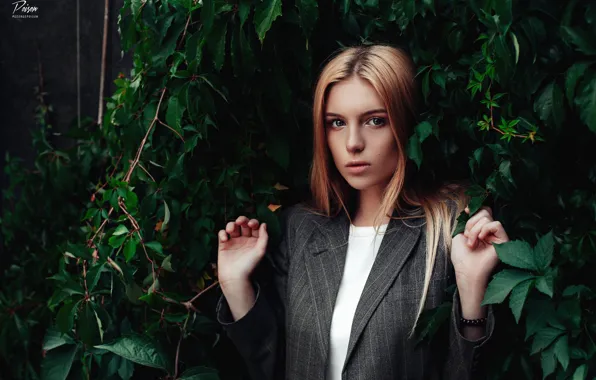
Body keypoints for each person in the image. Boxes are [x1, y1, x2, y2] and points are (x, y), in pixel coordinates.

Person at [215, 44, 510, 380]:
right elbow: (271, 366)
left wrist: (472, 288)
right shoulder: (301, 229)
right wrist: (236, 284)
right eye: (337, 123)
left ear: (405, 122)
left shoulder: (449, 226)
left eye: (375, 120)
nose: (353, 142)